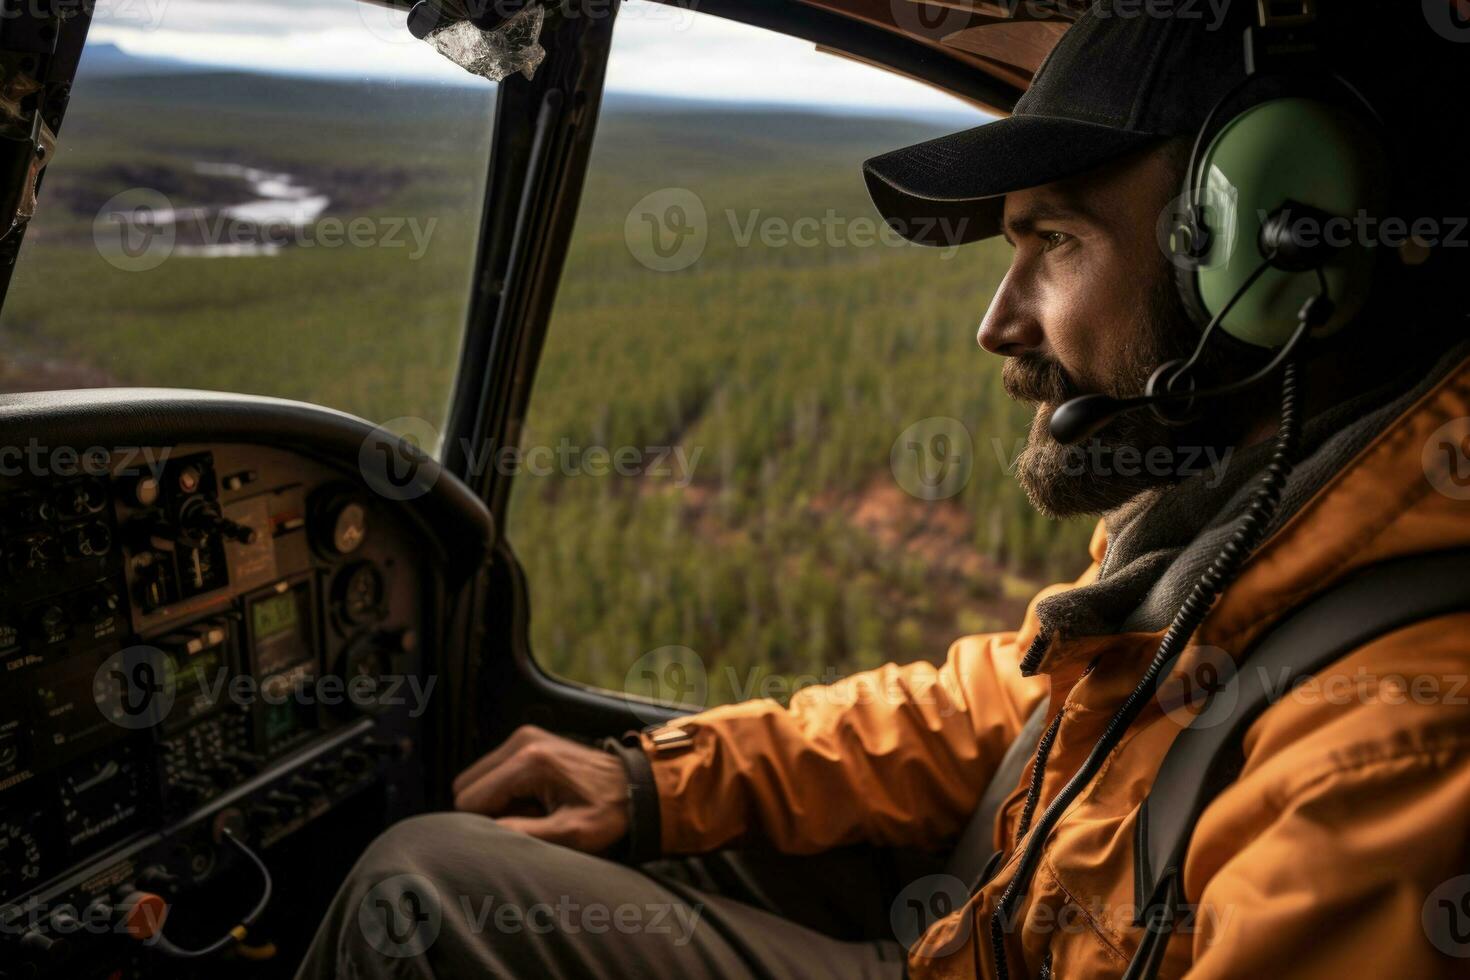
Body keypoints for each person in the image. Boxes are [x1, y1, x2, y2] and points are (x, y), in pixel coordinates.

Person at [296, 4, 1469, 978]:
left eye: (1053, 240)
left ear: (1279, 256)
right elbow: (1005, 709)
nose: (995, 323)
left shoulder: (1388, 755)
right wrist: (657, 781)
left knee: (429, 885)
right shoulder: (1238, 543)